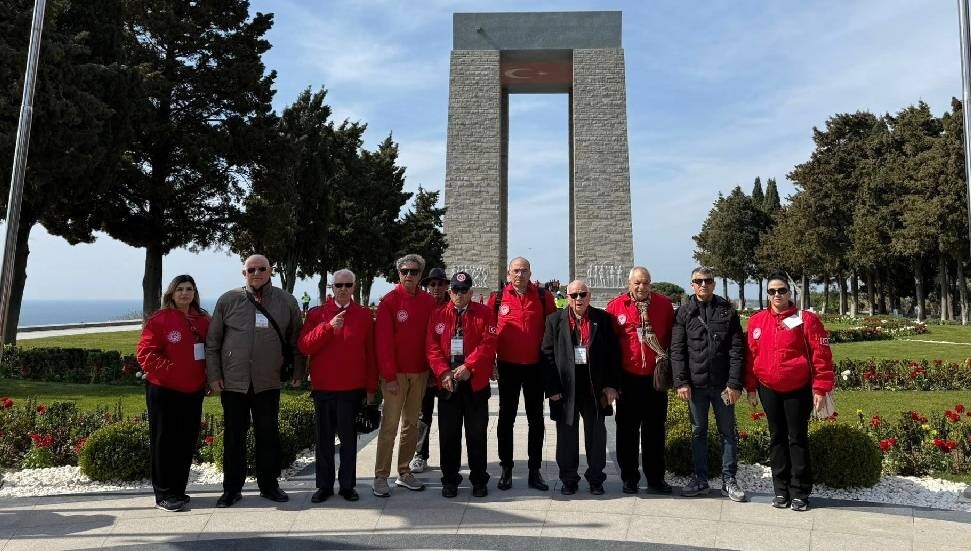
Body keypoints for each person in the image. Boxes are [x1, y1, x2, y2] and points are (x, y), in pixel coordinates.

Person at [206, 255, 305, 507]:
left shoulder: (286, 301)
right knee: (233, 437)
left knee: (268, 434)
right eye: (251, 269)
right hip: (234, 382)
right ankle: (231, 490)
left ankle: (269, 486)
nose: (256, 273)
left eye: (262, 268)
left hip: (267, 380)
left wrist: (298, 372)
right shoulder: (228, 300)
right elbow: (213, 342)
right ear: (244, 273)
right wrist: (214, 376)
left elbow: (296, 340)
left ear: (271, 271)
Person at [745, 273, 834, 512]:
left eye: (781, 290)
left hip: (798, 388)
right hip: (768, 388)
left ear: (789, 292)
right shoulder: (756, 321)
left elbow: (821, 355)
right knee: (776, 438)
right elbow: (750, 357)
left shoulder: (806, 320)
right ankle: (780, 490)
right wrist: (751, 388)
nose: (777, 295)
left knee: (797, 438)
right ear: (767, 294)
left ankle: (799, 492)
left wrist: (821, 388)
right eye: (772, 291)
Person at [298, 269, 377, 503]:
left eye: (347, 285)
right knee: (324, 442)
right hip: (323, 389)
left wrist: (371, 389)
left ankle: (347, 486)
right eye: (339, 285)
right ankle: (324, 486)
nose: (343, 289)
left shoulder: (364, 315)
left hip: (351, 390)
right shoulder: (317, 314)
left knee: (349, 442)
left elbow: (370, 354)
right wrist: (328, 326)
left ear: (354, 287)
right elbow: (305, 346)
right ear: (332, 288)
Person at [671, 267, 747, 502]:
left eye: (708, 280)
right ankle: (700, 479)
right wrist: (681, 382)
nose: (703, 284)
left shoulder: (727, 310)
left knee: (728, 433)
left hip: (723, 385)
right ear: (692, 284)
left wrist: (734, 383)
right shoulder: (684, 312)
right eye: (699, 281)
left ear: (714, 284)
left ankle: (729, 480)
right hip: (696, 386)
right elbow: (677, 350)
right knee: (698, 432)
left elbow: (737, 349)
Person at [136, 275, 210, 512]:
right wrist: (173, 371)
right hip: (164, 390)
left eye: (189, 289)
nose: (184, 293)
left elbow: (211, 351)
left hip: (193, 391)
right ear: (171, 293)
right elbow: (145, 354)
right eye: (180, 289)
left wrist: (207, 378)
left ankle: (178, 490)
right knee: (164, 441)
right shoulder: (160, 319)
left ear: (194, 293)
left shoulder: (203, 320)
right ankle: (164, 495)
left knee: (186, 441)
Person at [542, 279, 620, 495]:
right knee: (566, 437)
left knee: (596, 436)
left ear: (589, 296)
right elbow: (547, 355)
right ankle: (569, 480)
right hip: (565, 389)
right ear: (567, 297)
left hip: (595, 387)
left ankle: (596, 479)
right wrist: (552, 388)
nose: (579, 299)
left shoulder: (603, 319)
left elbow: (614, 354)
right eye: (574, 295)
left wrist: (611, 385)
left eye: (582, 294)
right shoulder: (554, 320)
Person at [426, 271, 498, 498]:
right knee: (449, 435)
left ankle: (479, 479)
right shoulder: (438, 314)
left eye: (464, 290)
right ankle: (450, 479)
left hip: (474, 382)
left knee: (476, 435)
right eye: (455, 290)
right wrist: (443, 372)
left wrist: (469, 366)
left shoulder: (485, 313)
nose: (459, 294)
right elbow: (431, 347)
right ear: (450, 292)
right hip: (448, 384)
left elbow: (489, 343)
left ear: (471, 292)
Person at [487, 256, 555, 491]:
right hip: (508, 366)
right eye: (516, 270)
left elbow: (553, 331)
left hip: (536, 367)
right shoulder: (497, 298)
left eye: (524, 270)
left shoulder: (544, 297)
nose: (520, 274)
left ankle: (535, 470)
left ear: (530, 273)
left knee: (536, 419)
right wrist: (490, 362)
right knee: (506, 418)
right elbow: (489, 332)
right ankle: (506, 468)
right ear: (508, 273)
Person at [605, 266, 675, 495]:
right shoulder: (616, 307)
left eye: (645, 282)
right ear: (629, 284)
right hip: (628, 379)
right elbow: (610, 347)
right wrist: (611, 382)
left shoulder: (664, 305)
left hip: (655, 379)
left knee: (655, 431)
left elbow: (673, 339)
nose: (641, 287)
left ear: (650, 283)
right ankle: (629, 478)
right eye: (637, 283)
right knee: (627, 431)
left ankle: (655, 478)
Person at [372, 254, 437, 497]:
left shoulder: (428, 302)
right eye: (404, 271)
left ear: (421, 274)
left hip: (419, 373)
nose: (409, 275)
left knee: (411, 424)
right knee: (389, 426)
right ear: (398, 273)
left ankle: (404, 471)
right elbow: (383, 343)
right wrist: (389, 376)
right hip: (395, 376)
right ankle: (381, 476)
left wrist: (432, 371)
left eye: (414, 271)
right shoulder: (389, 302)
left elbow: (432, 337)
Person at [410, 267, 451, 474]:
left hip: (445, 373)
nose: (436, 288)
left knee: (448, 418)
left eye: (440, 284)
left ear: (447, 286)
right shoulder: (421, 306)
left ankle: (448, 459)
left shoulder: (452, 307)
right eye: (432, 284)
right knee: (422, 417)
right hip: (424, 372)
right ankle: (420, 455)